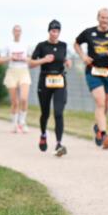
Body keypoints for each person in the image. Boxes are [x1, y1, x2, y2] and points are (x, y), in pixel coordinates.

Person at [74, 8, 108, 149]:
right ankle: (103, 134)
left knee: (106, 104)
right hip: (93, 71)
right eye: (102, 17)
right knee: (100, 101)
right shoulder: (89, 32)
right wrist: (83, 56)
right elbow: (76, 43)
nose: (105, 20)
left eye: (107, 18)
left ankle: (98, 126)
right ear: (98, 17)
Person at [30, 20, 71, 157]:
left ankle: (59, 143)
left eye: (57, 31)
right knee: (45, 113)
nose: (55, 33)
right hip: (45, 82)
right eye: (53, 31)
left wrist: (67, 61)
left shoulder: (63, 45)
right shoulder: (41, 46)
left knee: (58, 113)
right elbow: (31, 63)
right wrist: (43, 60)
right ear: (49, 31)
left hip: (59, 81)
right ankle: (43, 134)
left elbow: (63, 58)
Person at [0, 24, 32, 133]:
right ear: (13, 32)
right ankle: (14, 124)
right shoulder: (8, 45)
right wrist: (11, 57)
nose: (17, 32)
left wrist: (25, 58)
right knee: (15, 101)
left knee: (24, 98)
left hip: (23, 72)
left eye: (19, 31)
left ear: (21, 32)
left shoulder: (26, 45)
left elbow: (32, 59)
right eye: (15, 31)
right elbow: (0, 60)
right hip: (12, 72)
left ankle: (22, 122)